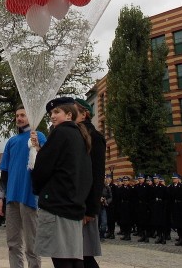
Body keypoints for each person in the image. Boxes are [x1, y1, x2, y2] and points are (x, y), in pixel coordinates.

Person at [31, 97, 92, 268]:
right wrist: (39, 149)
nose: (52, 116)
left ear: (69, 115)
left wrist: (38, 189)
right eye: (51, 113)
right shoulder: (79, 135)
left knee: (61, 259)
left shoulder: (60, 132)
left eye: (56, 112)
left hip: (57, 206)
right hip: (74, 206)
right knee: (74, 258)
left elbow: (44, 168)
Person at [0, 105, 47, 268]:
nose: (19, 118)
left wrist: (38, 146)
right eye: (17, 115)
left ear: (30, 117)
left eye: (23, 115)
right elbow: (5, 171)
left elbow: (47, 163)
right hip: (11, 197)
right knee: (13, 242)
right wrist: (0, 197)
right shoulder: (11, 141)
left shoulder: (39, 136)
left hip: (30, 196)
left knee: (32, 244)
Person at [75, 98, 106, 268]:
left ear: (85, 114)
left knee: (85, 255)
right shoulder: (74, 134)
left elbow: (97, 174)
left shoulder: (95, 137)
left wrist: (91, 209)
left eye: (74, 111)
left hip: (85, 206)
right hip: (74, 203)